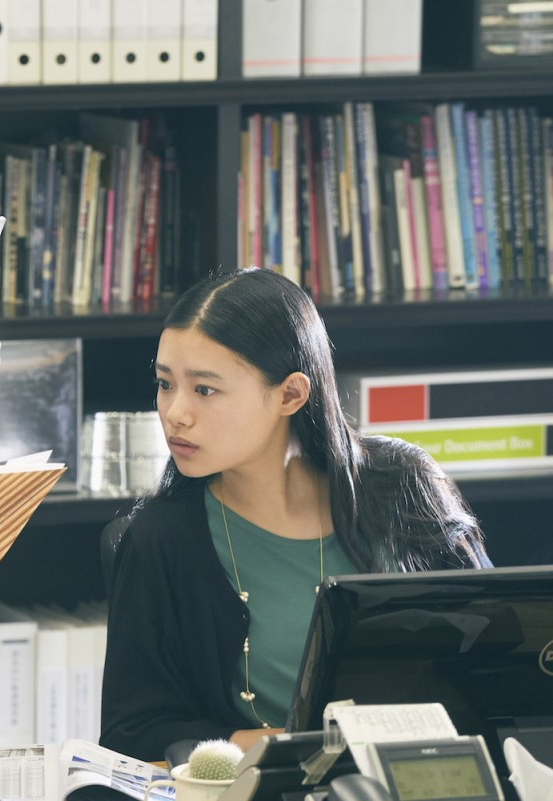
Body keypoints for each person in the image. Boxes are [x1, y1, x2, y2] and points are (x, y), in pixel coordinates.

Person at [99, 268, 490, 760]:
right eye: (164, 383)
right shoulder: (161, 538)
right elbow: (129, 734)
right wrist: (252, 744)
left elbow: (494, 651)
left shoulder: (404, 486)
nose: (174, 412)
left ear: (290, 394)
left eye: (204, 389)